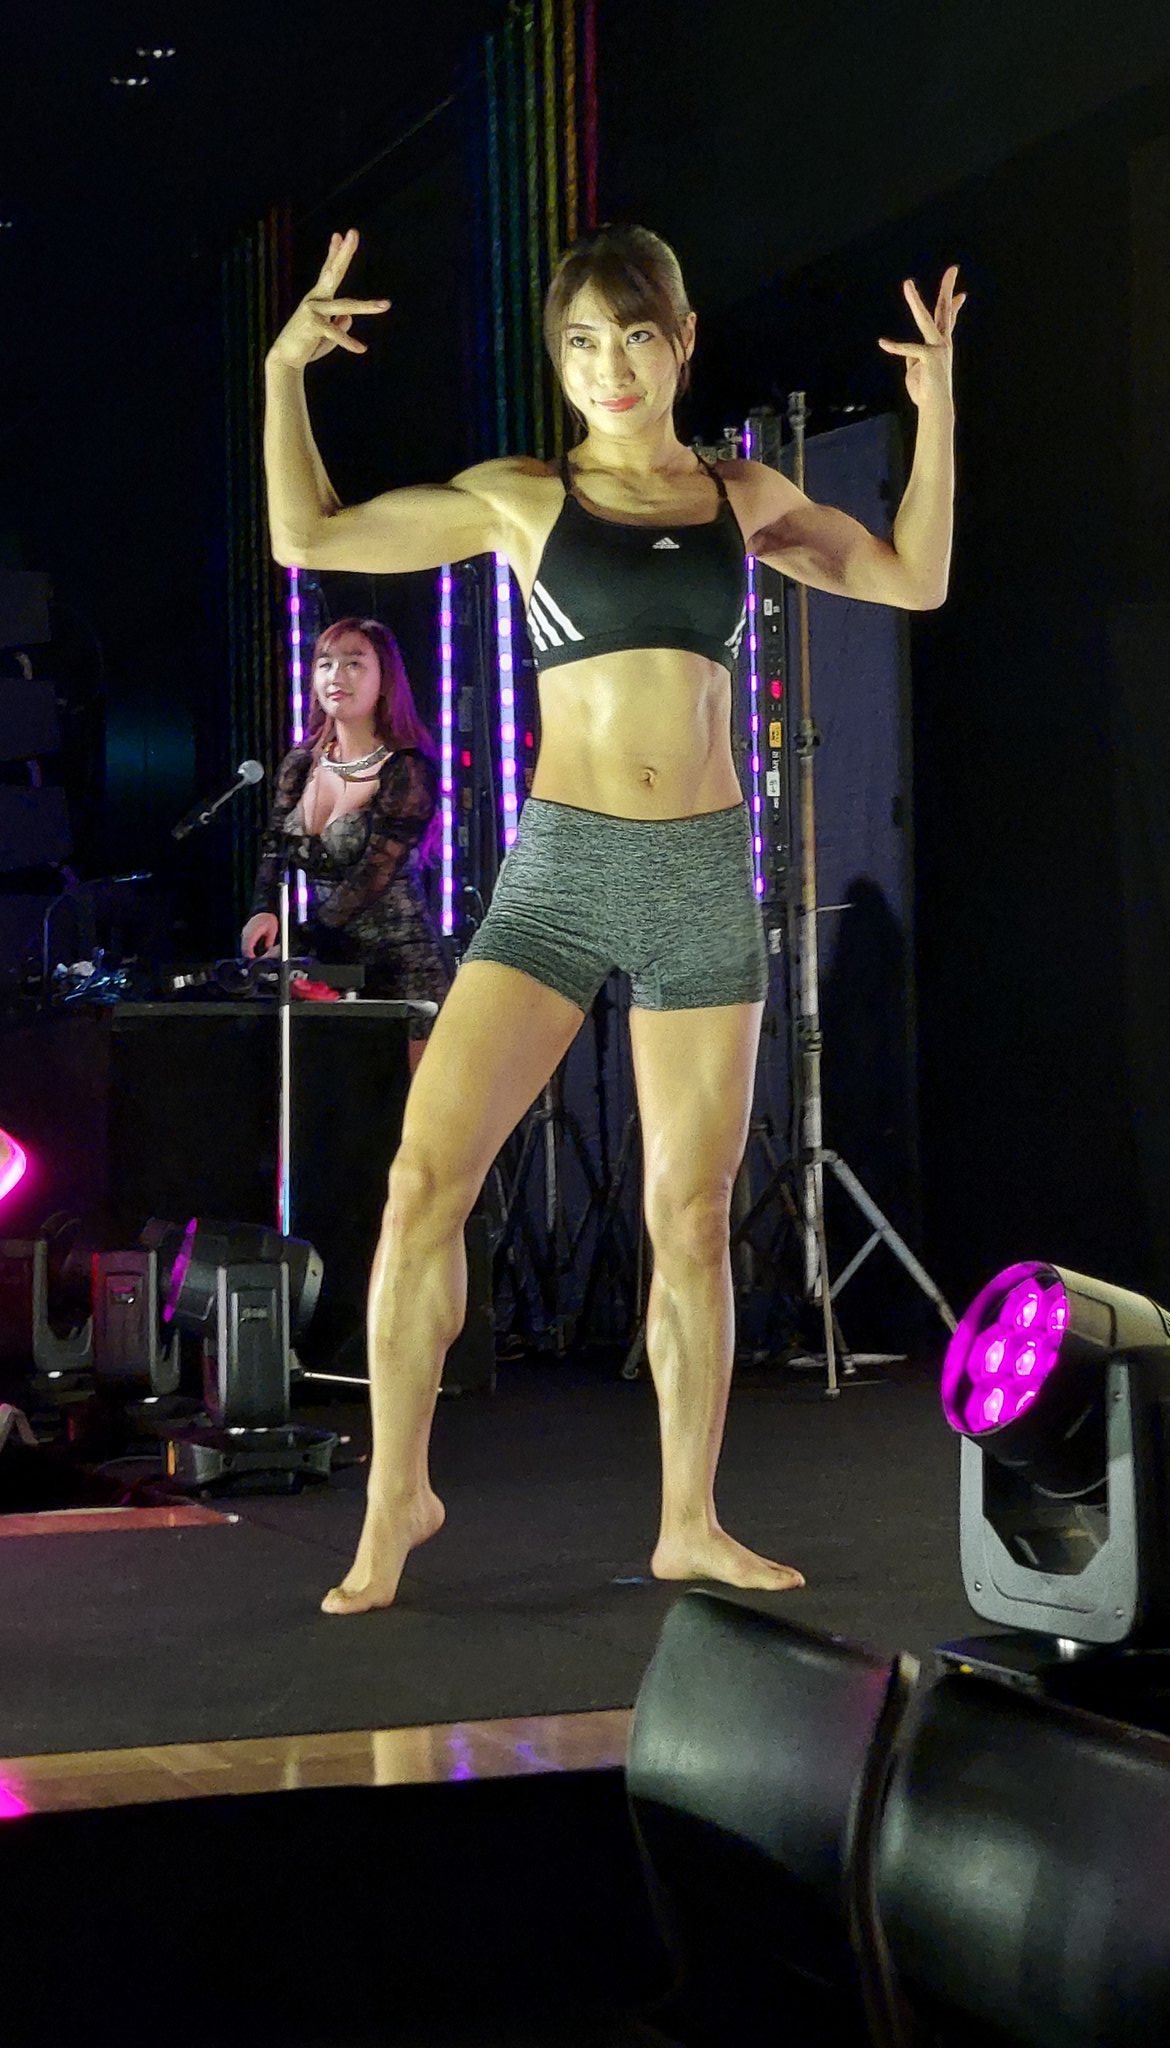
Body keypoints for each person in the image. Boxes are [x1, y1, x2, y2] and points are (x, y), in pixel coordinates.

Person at [264, 221, 963, 1615]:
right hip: (561, 873)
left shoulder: (744, 496)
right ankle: (399, 1492)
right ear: (561, 361)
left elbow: (913, 576)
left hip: (700, 874)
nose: (611, 367)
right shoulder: (523, 498)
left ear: (681, 339)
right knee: (423, 1181)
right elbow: (307, 536)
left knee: (690, 1214)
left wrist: (937, 412)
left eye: (635, 335)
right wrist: (284, 374)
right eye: (582, 343)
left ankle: (689, 1521)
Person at [241, 616, 449, 1069]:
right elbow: (275, 846)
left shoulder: (407, 769)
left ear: (384, 679)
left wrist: (297, 938)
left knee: (408, 1107)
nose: (337, 676)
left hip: (402, 969)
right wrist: (263, 908)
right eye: (325, 663)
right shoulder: (301, 764)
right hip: (328, 969)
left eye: (354, 663)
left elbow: (371, 878)